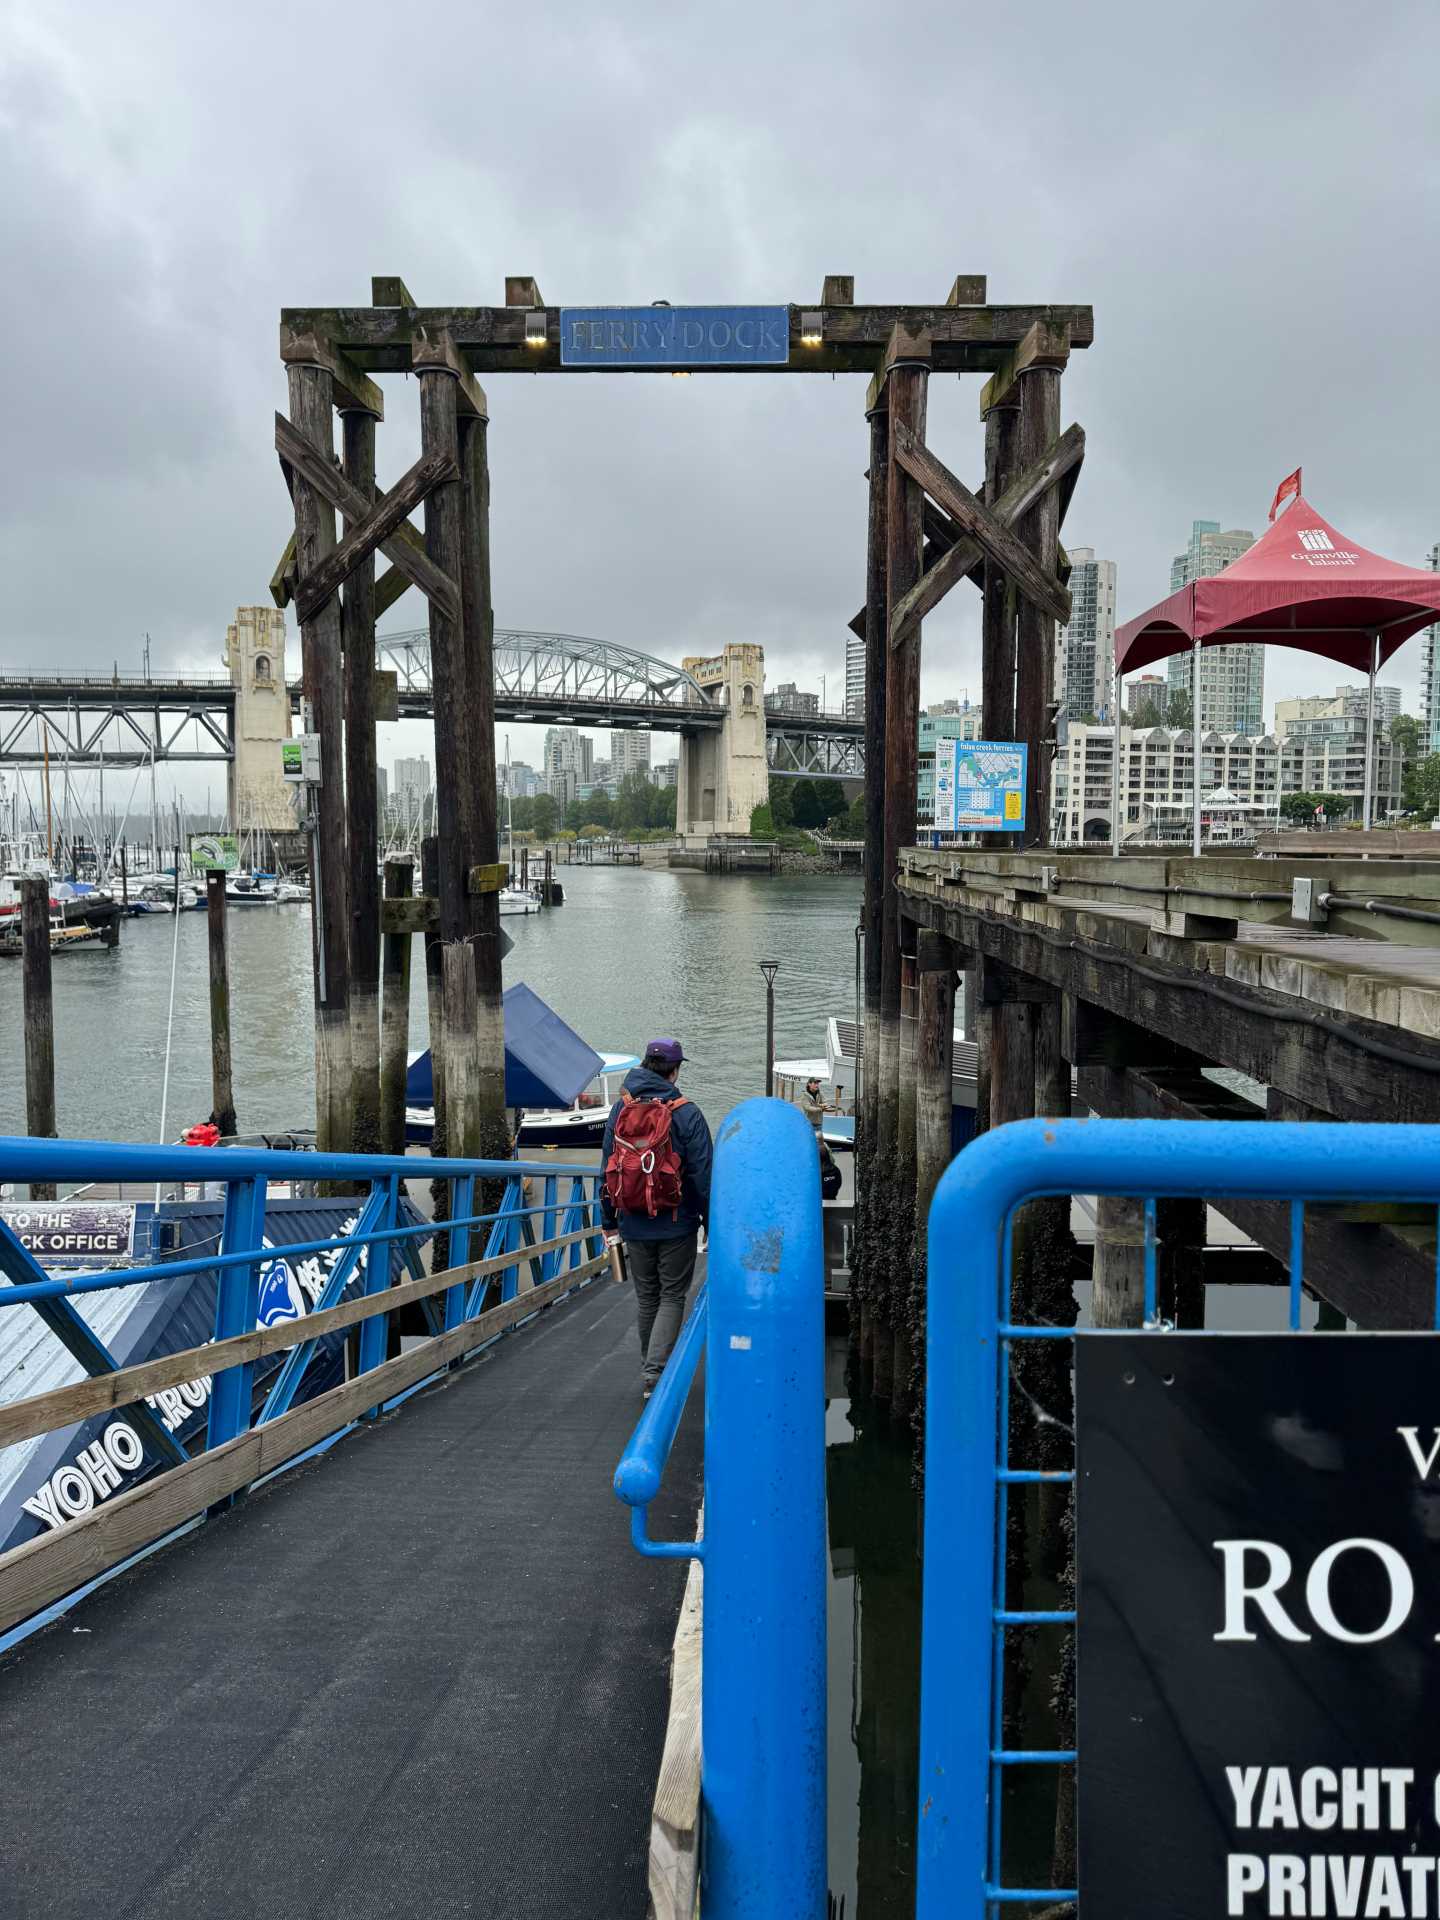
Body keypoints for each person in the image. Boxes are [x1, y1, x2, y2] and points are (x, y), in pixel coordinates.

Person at [600, 1038, 713, 1397]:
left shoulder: (621, 1108)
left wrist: (608, 1222)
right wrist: (711, 1224)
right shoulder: (686, 1112)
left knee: (647, 1296)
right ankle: (656, 1373)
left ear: (645, 1065)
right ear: (675, 1071)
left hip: (632, 1220)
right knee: (672, 1296)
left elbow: (606, 1169)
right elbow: (702, 1175)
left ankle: (651, 1370)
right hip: (676, 1221)